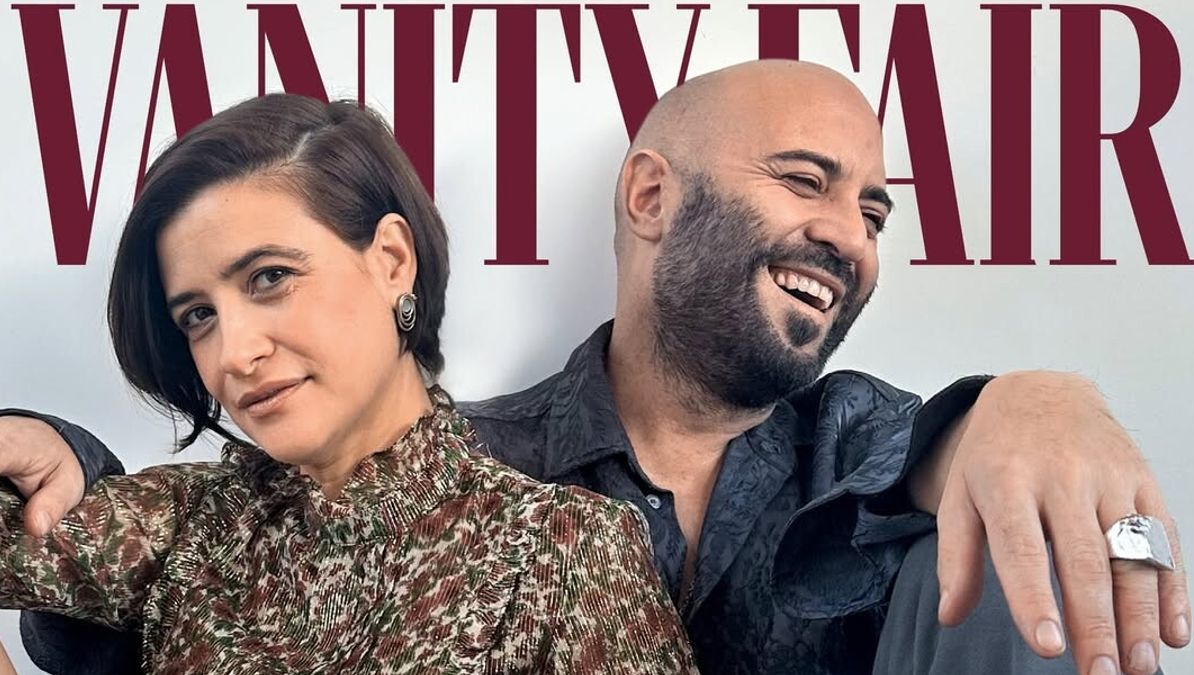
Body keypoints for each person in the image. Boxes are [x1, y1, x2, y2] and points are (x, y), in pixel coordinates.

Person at [4, 61, 1189, 674]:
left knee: (1021, 525)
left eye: (873, 213)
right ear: (651, 196)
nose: (850, 235)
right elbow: (172, 542)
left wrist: (1044, 401)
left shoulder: (863, 442)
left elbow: (993, 472)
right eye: (805, 181)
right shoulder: (463, 470)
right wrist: (55, 452)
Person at [0, 94, 697, 673]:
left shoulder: (563, 551)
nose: (234, 352)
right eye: (199, 316)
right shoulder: (190, 520)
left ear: (391, 260)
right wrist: (40, 436)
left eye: (270, 277)